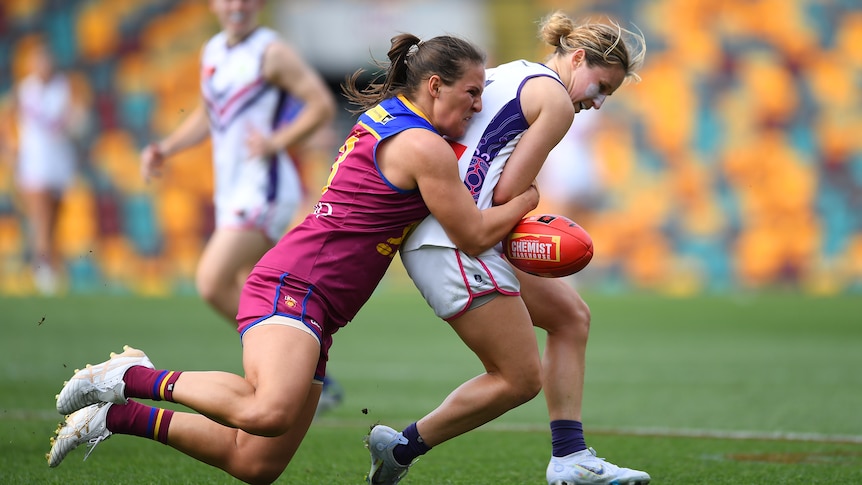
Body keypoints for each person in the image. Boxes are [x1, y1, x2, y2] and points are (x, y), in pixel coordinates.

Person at [47, 33, 540, 485]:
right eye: (472, 92)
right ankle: (128, 376)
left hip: (316, 303)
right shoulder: (422, 145)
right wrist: (525, 200)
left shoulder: (393, 118)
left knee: (254, 462)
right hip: (296, 284)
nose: (479, 105)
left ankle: (114, 417)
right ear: (435, 85)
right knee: (267, 412)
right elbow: (473, 235)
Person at [386, 11, 650, 485]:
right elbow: (511, 193)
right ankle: (402, 448)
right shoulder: (557, 102)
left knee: (571, 317)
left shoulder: (512, 72)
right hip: (455, 244)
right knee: (519, 379)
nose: (598, 101)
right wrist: (533, 199)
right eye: (601, 86)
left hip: (454, 232)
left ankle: (570, 457)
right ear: (578, 57)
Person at [138, 0, 345, 414]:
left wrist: (276, 142)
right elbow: (209, 113)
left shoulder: (271, 52)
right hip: (232, 189)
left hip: (264, 188)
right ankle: (298, 372)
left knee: (213, 282)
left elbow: (320, 104)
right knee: (246, 284)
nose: (238, 5)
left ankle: (292, 368)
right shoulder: (214, 50)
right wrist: (167, 148)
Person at [0, 38, 85, 295]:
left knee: (54, 218)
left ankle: (46, 264)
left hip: (59, 162)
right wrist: (9, 151)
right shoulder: (24, 89)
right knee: (42, 216)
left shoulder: (64, 86)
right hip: (34, 163)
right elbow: (6, 117)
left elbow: (76, 116)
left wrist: (75, 123)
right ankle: (43, 269)